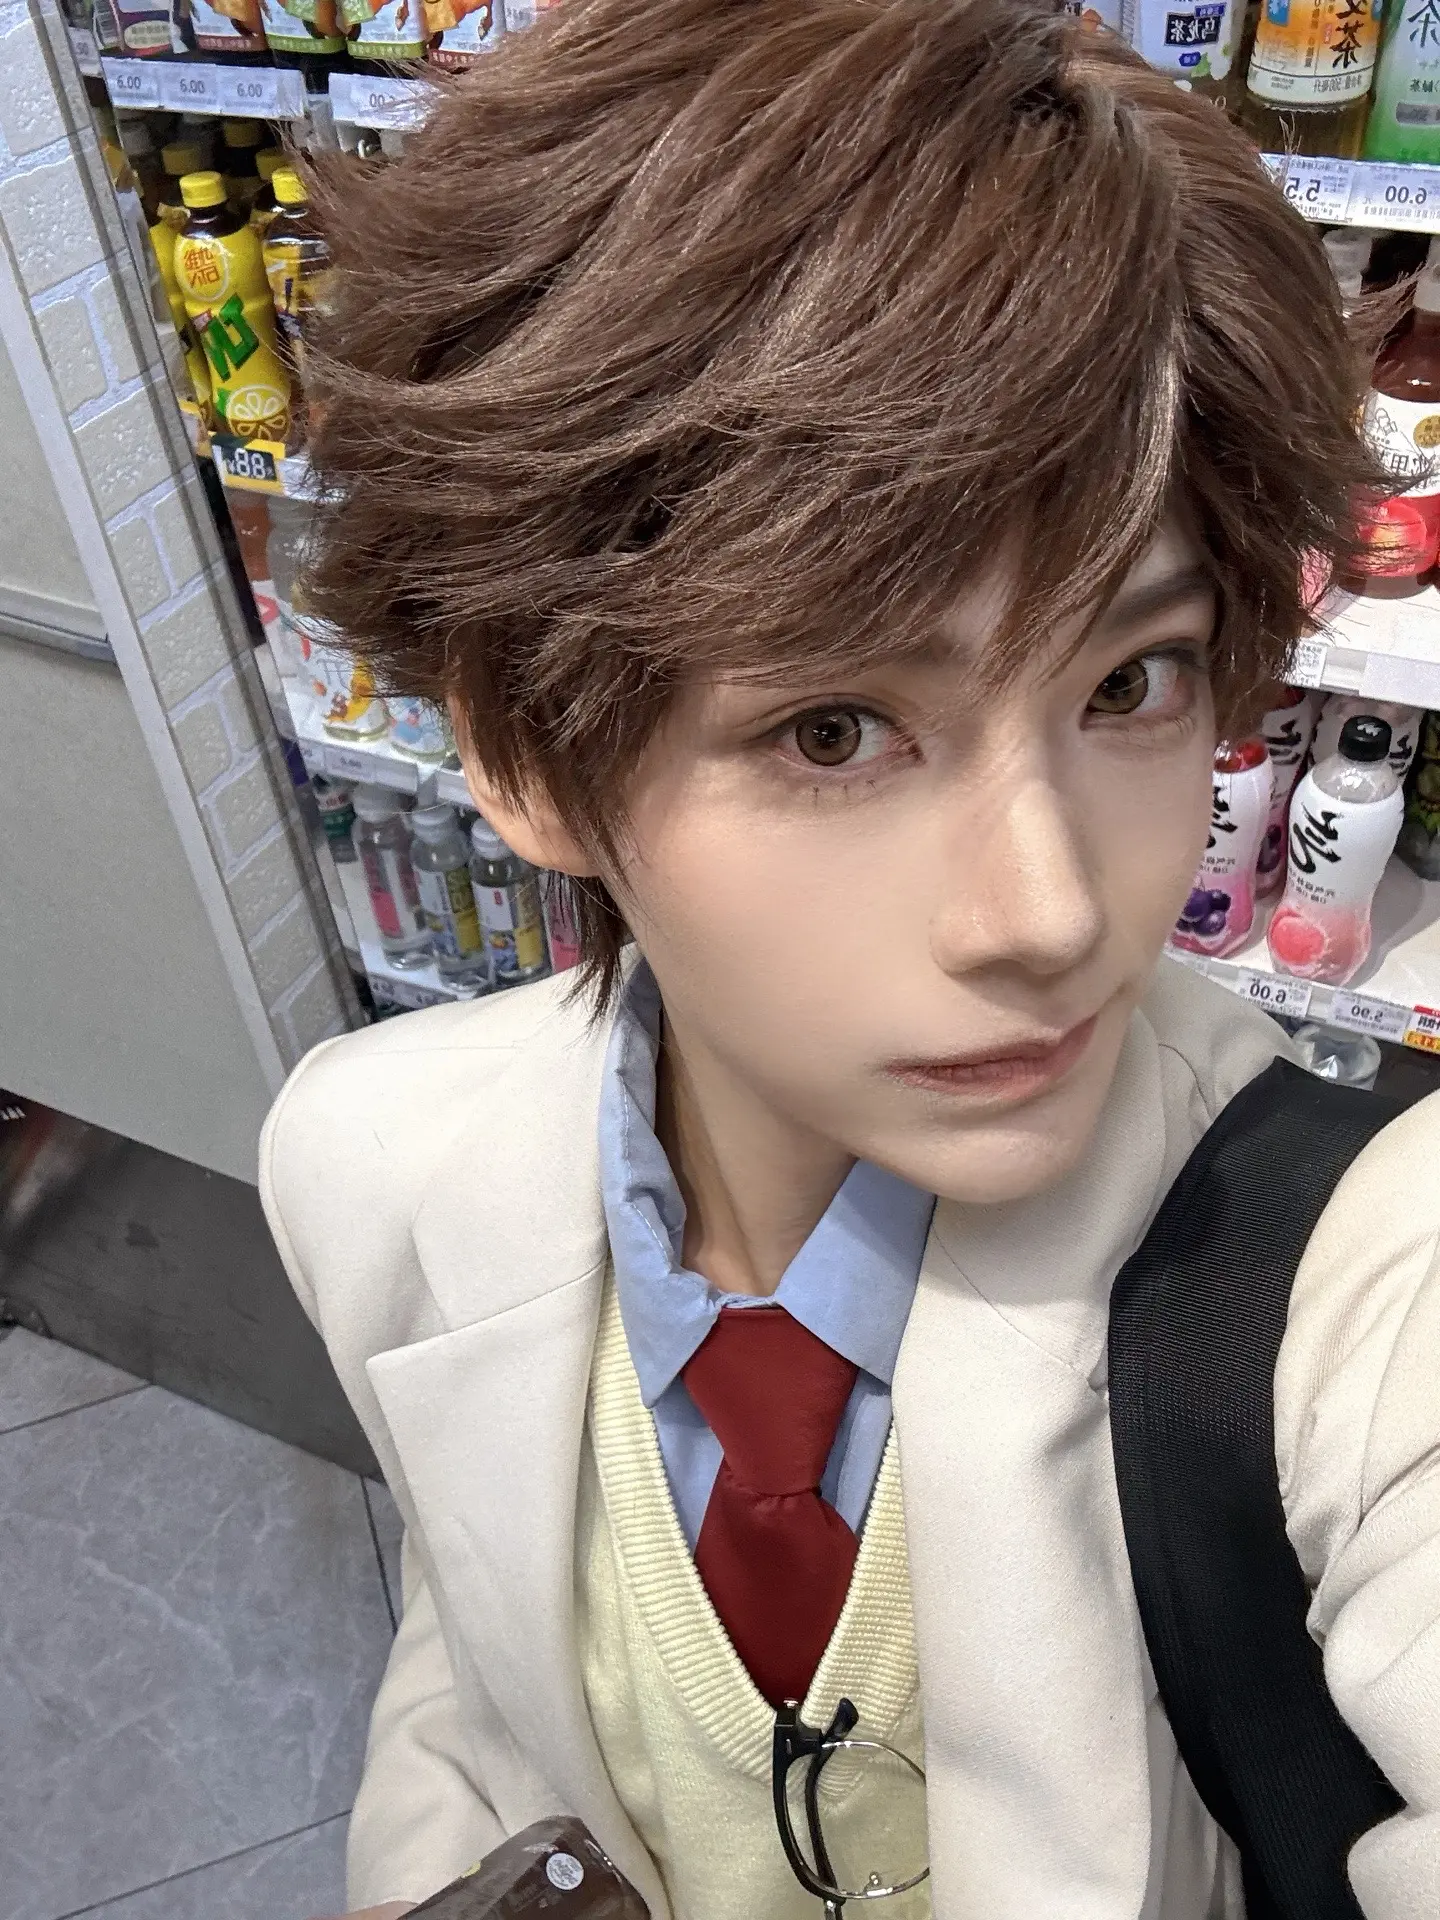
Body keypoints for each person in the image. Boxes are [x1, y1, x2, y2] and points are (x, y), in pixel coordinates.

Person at [259, 1, 1440, 1915]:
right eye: (835, 729)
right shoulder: (374, 1163)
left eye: (1129, 683)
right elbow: (474, 1662)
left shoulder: (1357, 1289)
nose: (1050, 911)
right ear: (522, 752)